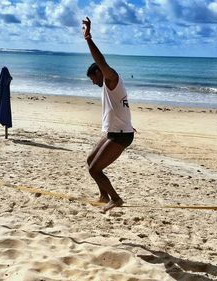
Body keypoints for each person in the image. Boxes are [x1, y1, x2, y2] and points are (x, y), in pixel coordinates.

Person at [82, 17, 134, 213]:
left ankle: (116, 199)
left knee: (95, 169)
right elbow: (121, 107)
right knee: (90, 161)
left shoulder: (111, 79)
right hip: (116, 131)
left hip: (121, 135)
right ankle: (104, 195)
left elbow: (101, 61)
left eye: (93, 78)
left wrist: (88, 38)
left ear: (100, 72)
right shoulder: (108, 86)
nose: (93, 82)